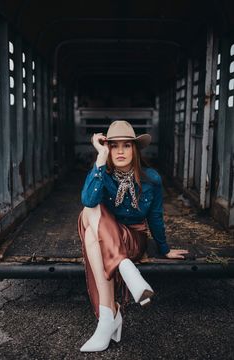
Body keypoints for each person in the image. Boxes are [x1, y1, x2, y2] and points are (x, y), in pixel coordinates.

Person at [77, 120, 189, 352]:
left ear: (135, 149)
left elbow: (155, 216)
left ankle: (108, 318)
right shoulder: (102, 174)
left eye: (126, 145)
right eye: (114, 146)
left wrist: (164, 248)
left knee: (92, 235)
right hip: (107, 239)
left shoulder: (151, 179)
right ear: (107, 148)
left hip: (133, 240)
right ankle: (114, 302)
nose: (119, 151)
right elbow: (88, 201)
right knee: (90, 214)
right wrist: (99, 158)